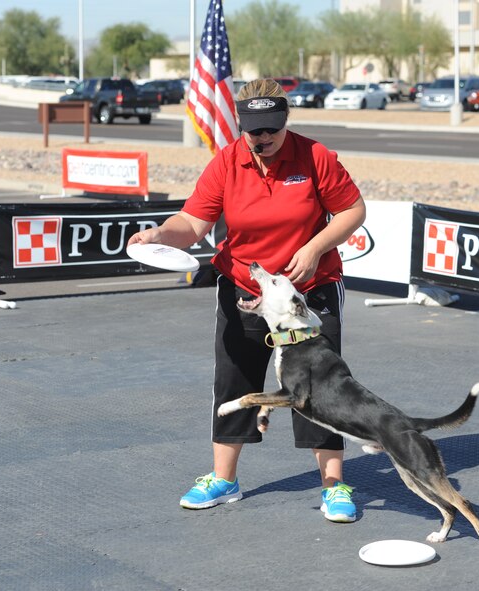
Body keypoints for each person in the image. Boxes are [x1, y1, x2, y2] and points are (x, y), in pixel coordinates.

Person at [127, 78, 366, 523]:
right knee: (234, 381)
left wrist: (314, 248)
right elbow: (193, 223)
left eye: (272, 128)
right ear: (242, 125)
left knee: (321, 387)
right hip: (245, 292)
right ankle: (224, 479)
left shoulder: (316, 158)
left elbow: (354, 211)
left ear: (285, 120)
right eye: (255, 130)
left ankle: (334, 486)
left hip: (308, 296)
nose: (264, 137)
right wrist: (161, 233)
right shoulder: (226, 163)